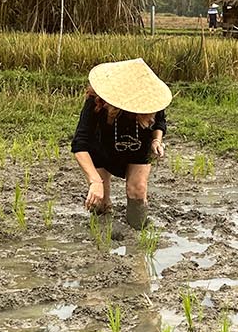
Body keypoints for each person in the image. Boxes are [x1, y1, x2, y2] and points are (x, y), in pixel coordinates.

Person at [71, 58, 172, 228]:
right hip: (102, 146)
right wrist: (95, 181)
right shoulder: (96, 102)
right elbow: (80, 144)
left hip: (138, 146)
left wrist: (156, 140)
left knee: (138, 189)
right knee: (99, 200)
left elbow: (160, 122)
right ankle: (101, 232)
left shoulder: (151, 97)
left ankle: (137, 231)